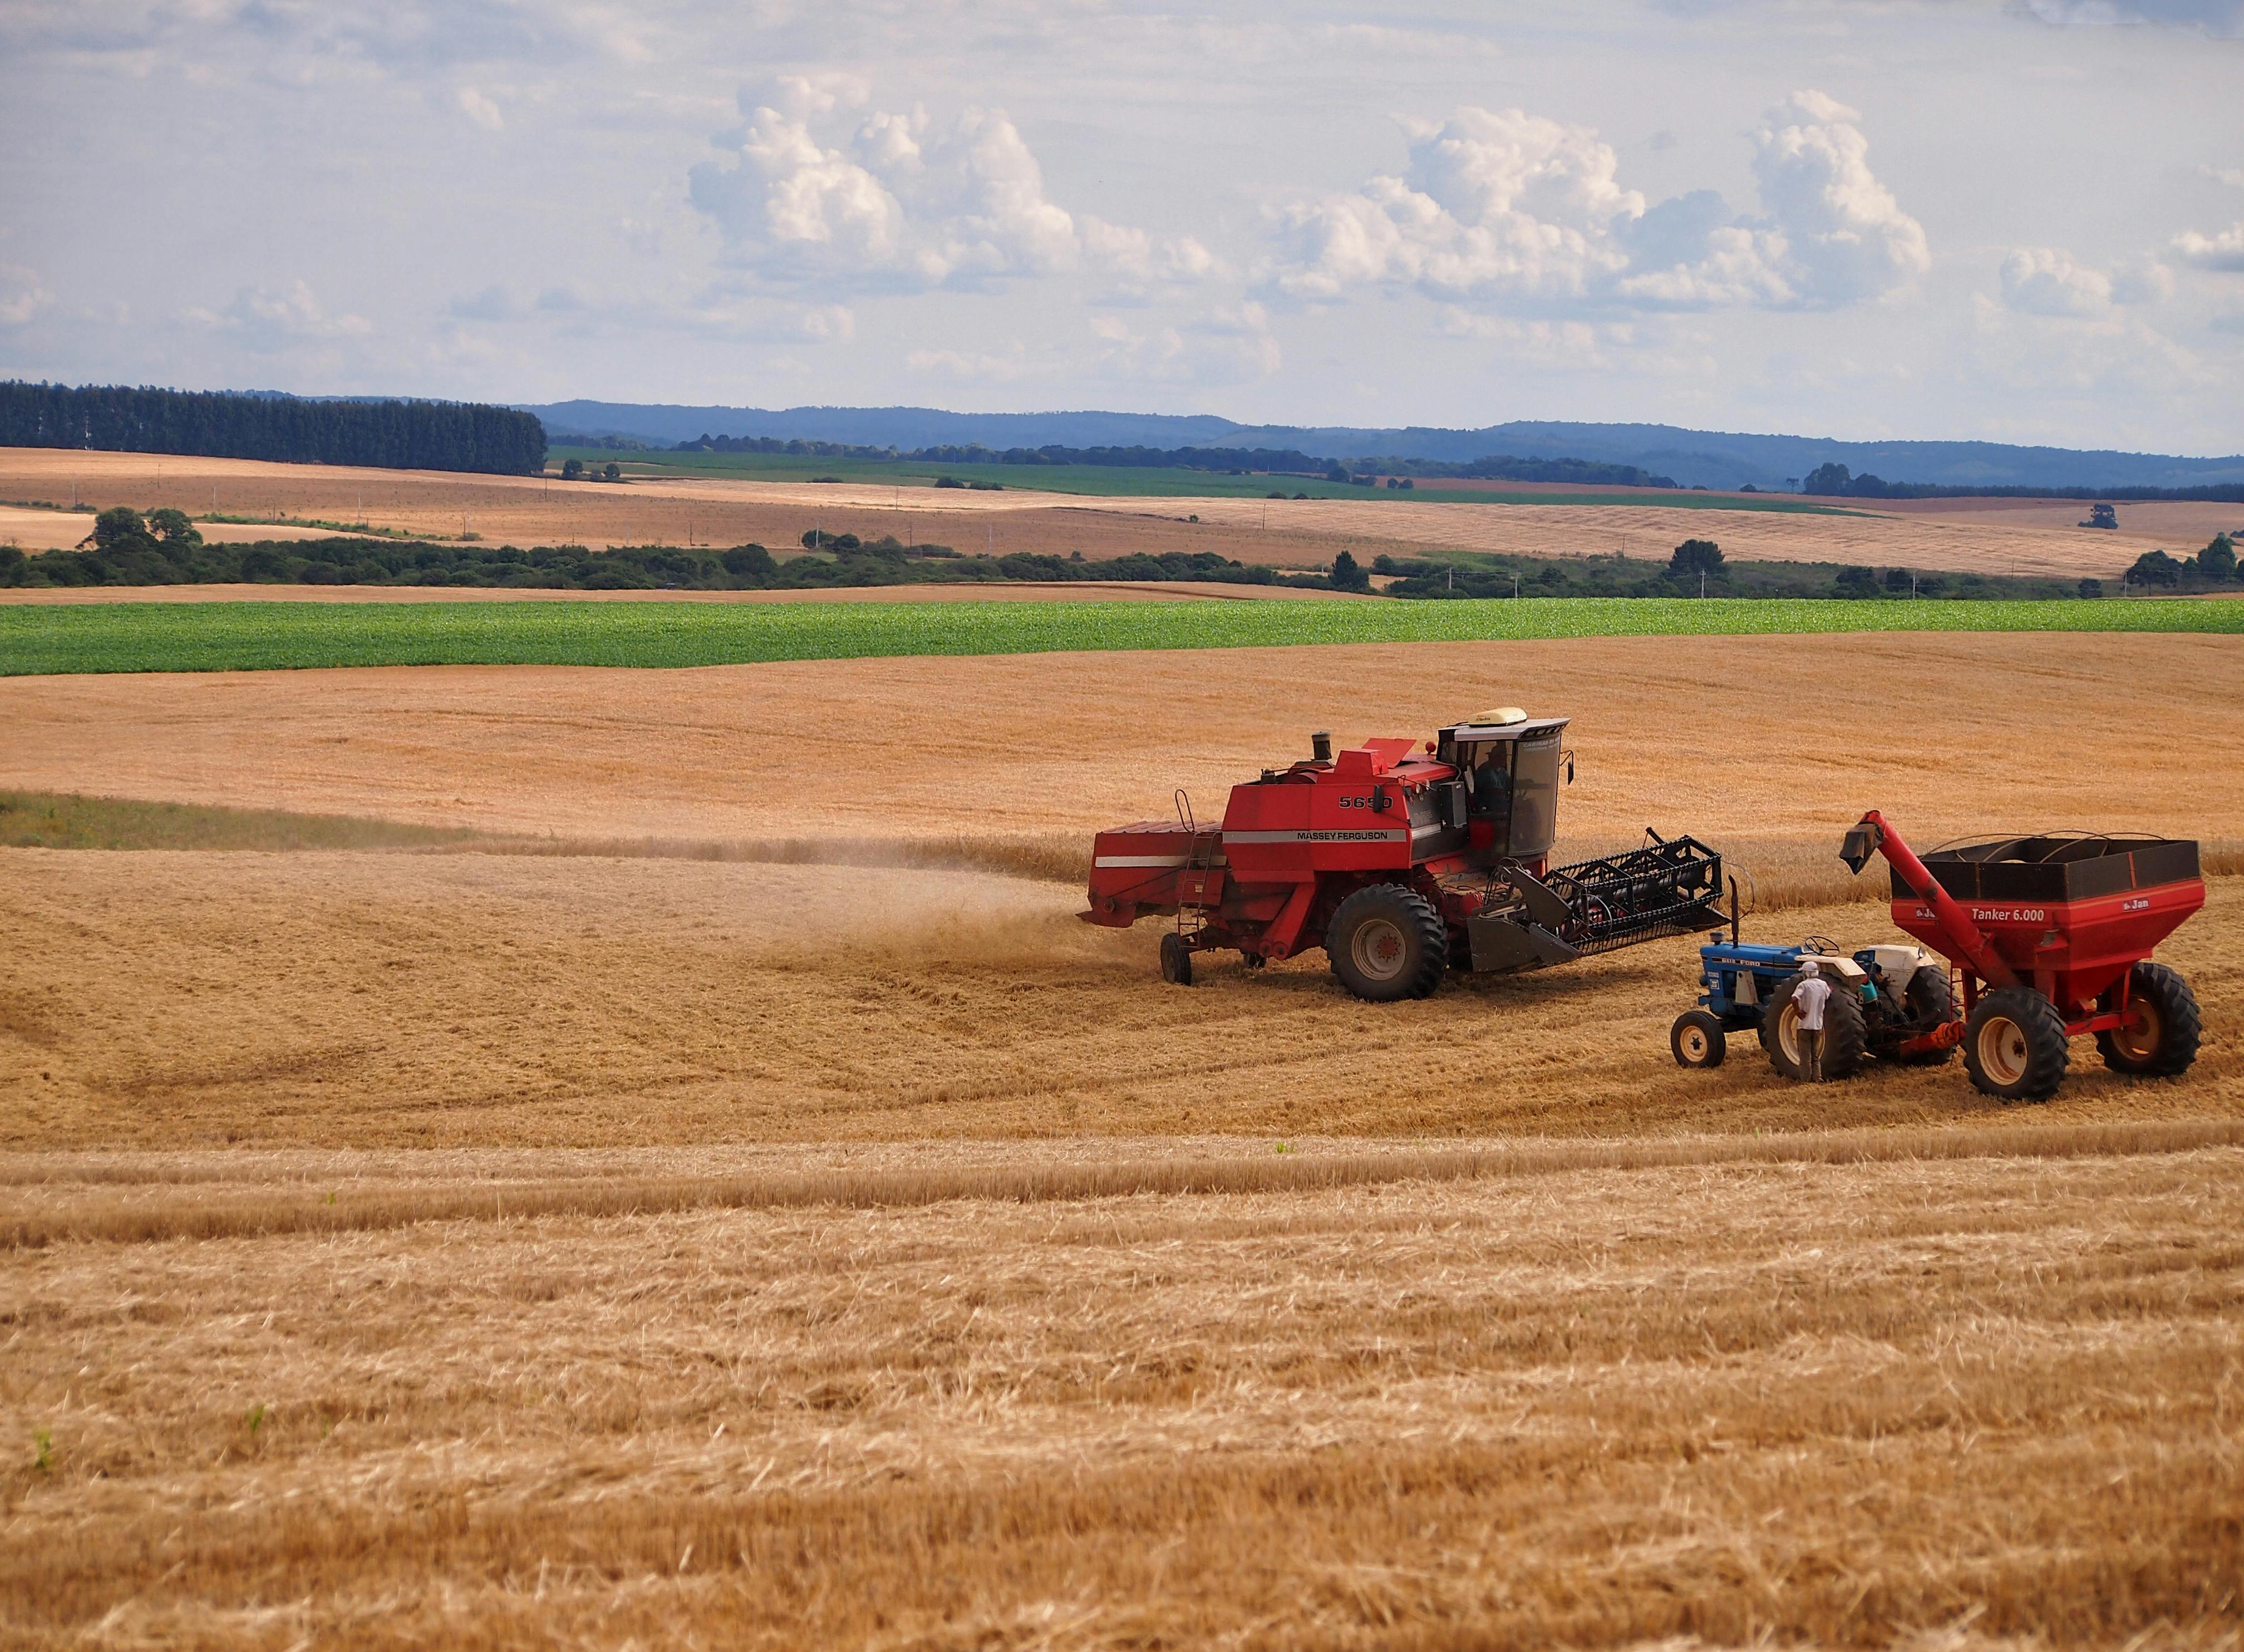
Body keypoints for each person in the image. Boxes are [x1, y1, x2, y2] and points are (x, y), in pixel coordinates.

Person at [1793, 958, 1832, 1082]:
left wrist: (1797, 1011)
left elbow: (1794, 998)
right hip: (1818, 1026)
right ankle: (1818, 1077)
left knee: (1805, 1057)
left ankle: (1805, 1080)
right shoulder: (1823, 985)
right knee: (1815, 1056)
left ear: (1806, 973)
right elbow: (1828, 995)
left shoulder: (1804, 985)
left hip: (1805, 1026)